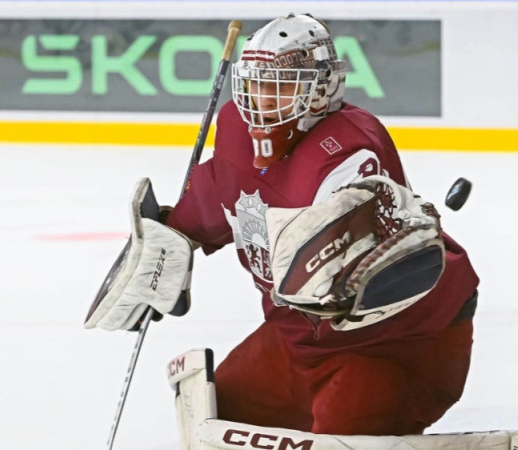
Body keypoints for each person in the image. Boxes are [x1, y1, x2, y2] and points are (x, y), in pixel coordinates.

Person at [88, 13, 480, 437]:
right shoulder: (237, 131)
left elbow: (375, 258)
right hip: (296, 337)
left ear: (321, 87)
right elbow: (209, 208)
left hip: (391, 346)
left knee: (341, 437)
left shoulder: (346, 151)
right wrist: (167, 245)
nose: (262, 99)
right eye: (256, 84)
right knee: (218, 420)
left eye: (281, 85)